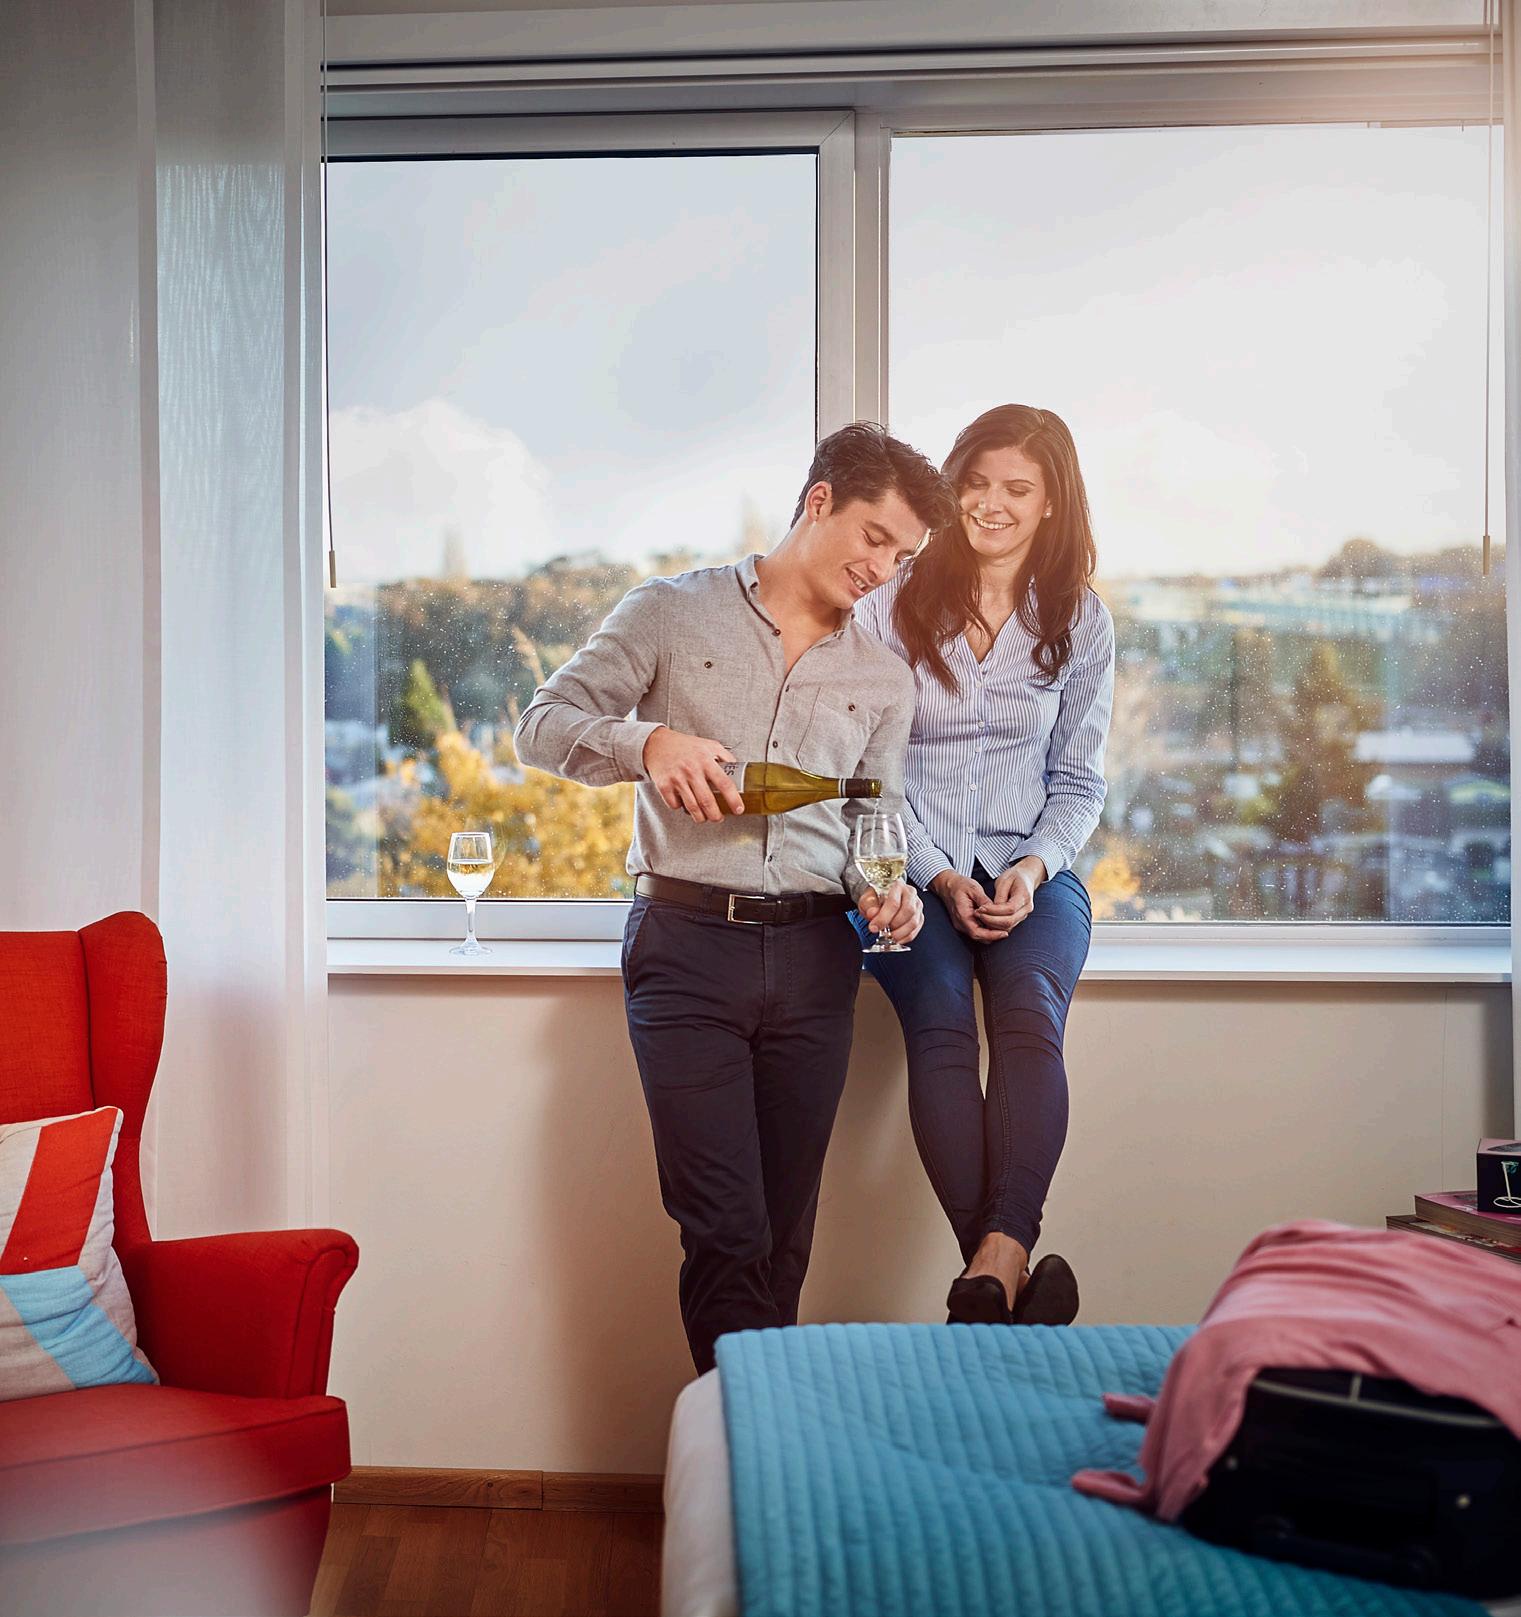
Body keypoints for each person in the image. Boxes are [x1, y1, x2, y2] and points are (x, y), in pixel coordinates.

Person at [514, 424, 959, 1374]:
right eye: (875, 536)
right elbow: (540, 726)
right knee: (725, 1226)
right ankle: (752, 1441)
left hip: (816, 961)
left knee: (784, 1235)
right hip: (685, 949)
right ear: (819, 500)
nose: (883, 568)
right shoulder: (670, 612)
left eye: (903, 556)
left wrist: (891, 895)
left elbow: (872, 824)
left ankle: (745, 1436)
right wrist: (649, 743)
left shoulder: (881, 678)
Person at [852, 404, 1114, 1327]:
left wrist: (1032, 870)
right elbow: (870, 775)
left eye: (1016, 488)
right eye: (975, 483)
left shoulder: (1081, 618)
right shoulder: (887, 605)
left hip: (1030, 870)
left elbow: (1079, 781)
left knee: (1029, 1016)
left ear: (1050, 503)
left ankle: (991, 1267)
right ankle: (1003, 1268)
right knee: (938, 1023)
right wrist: (936, 874)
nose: (990, 504)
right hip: (901, 871)